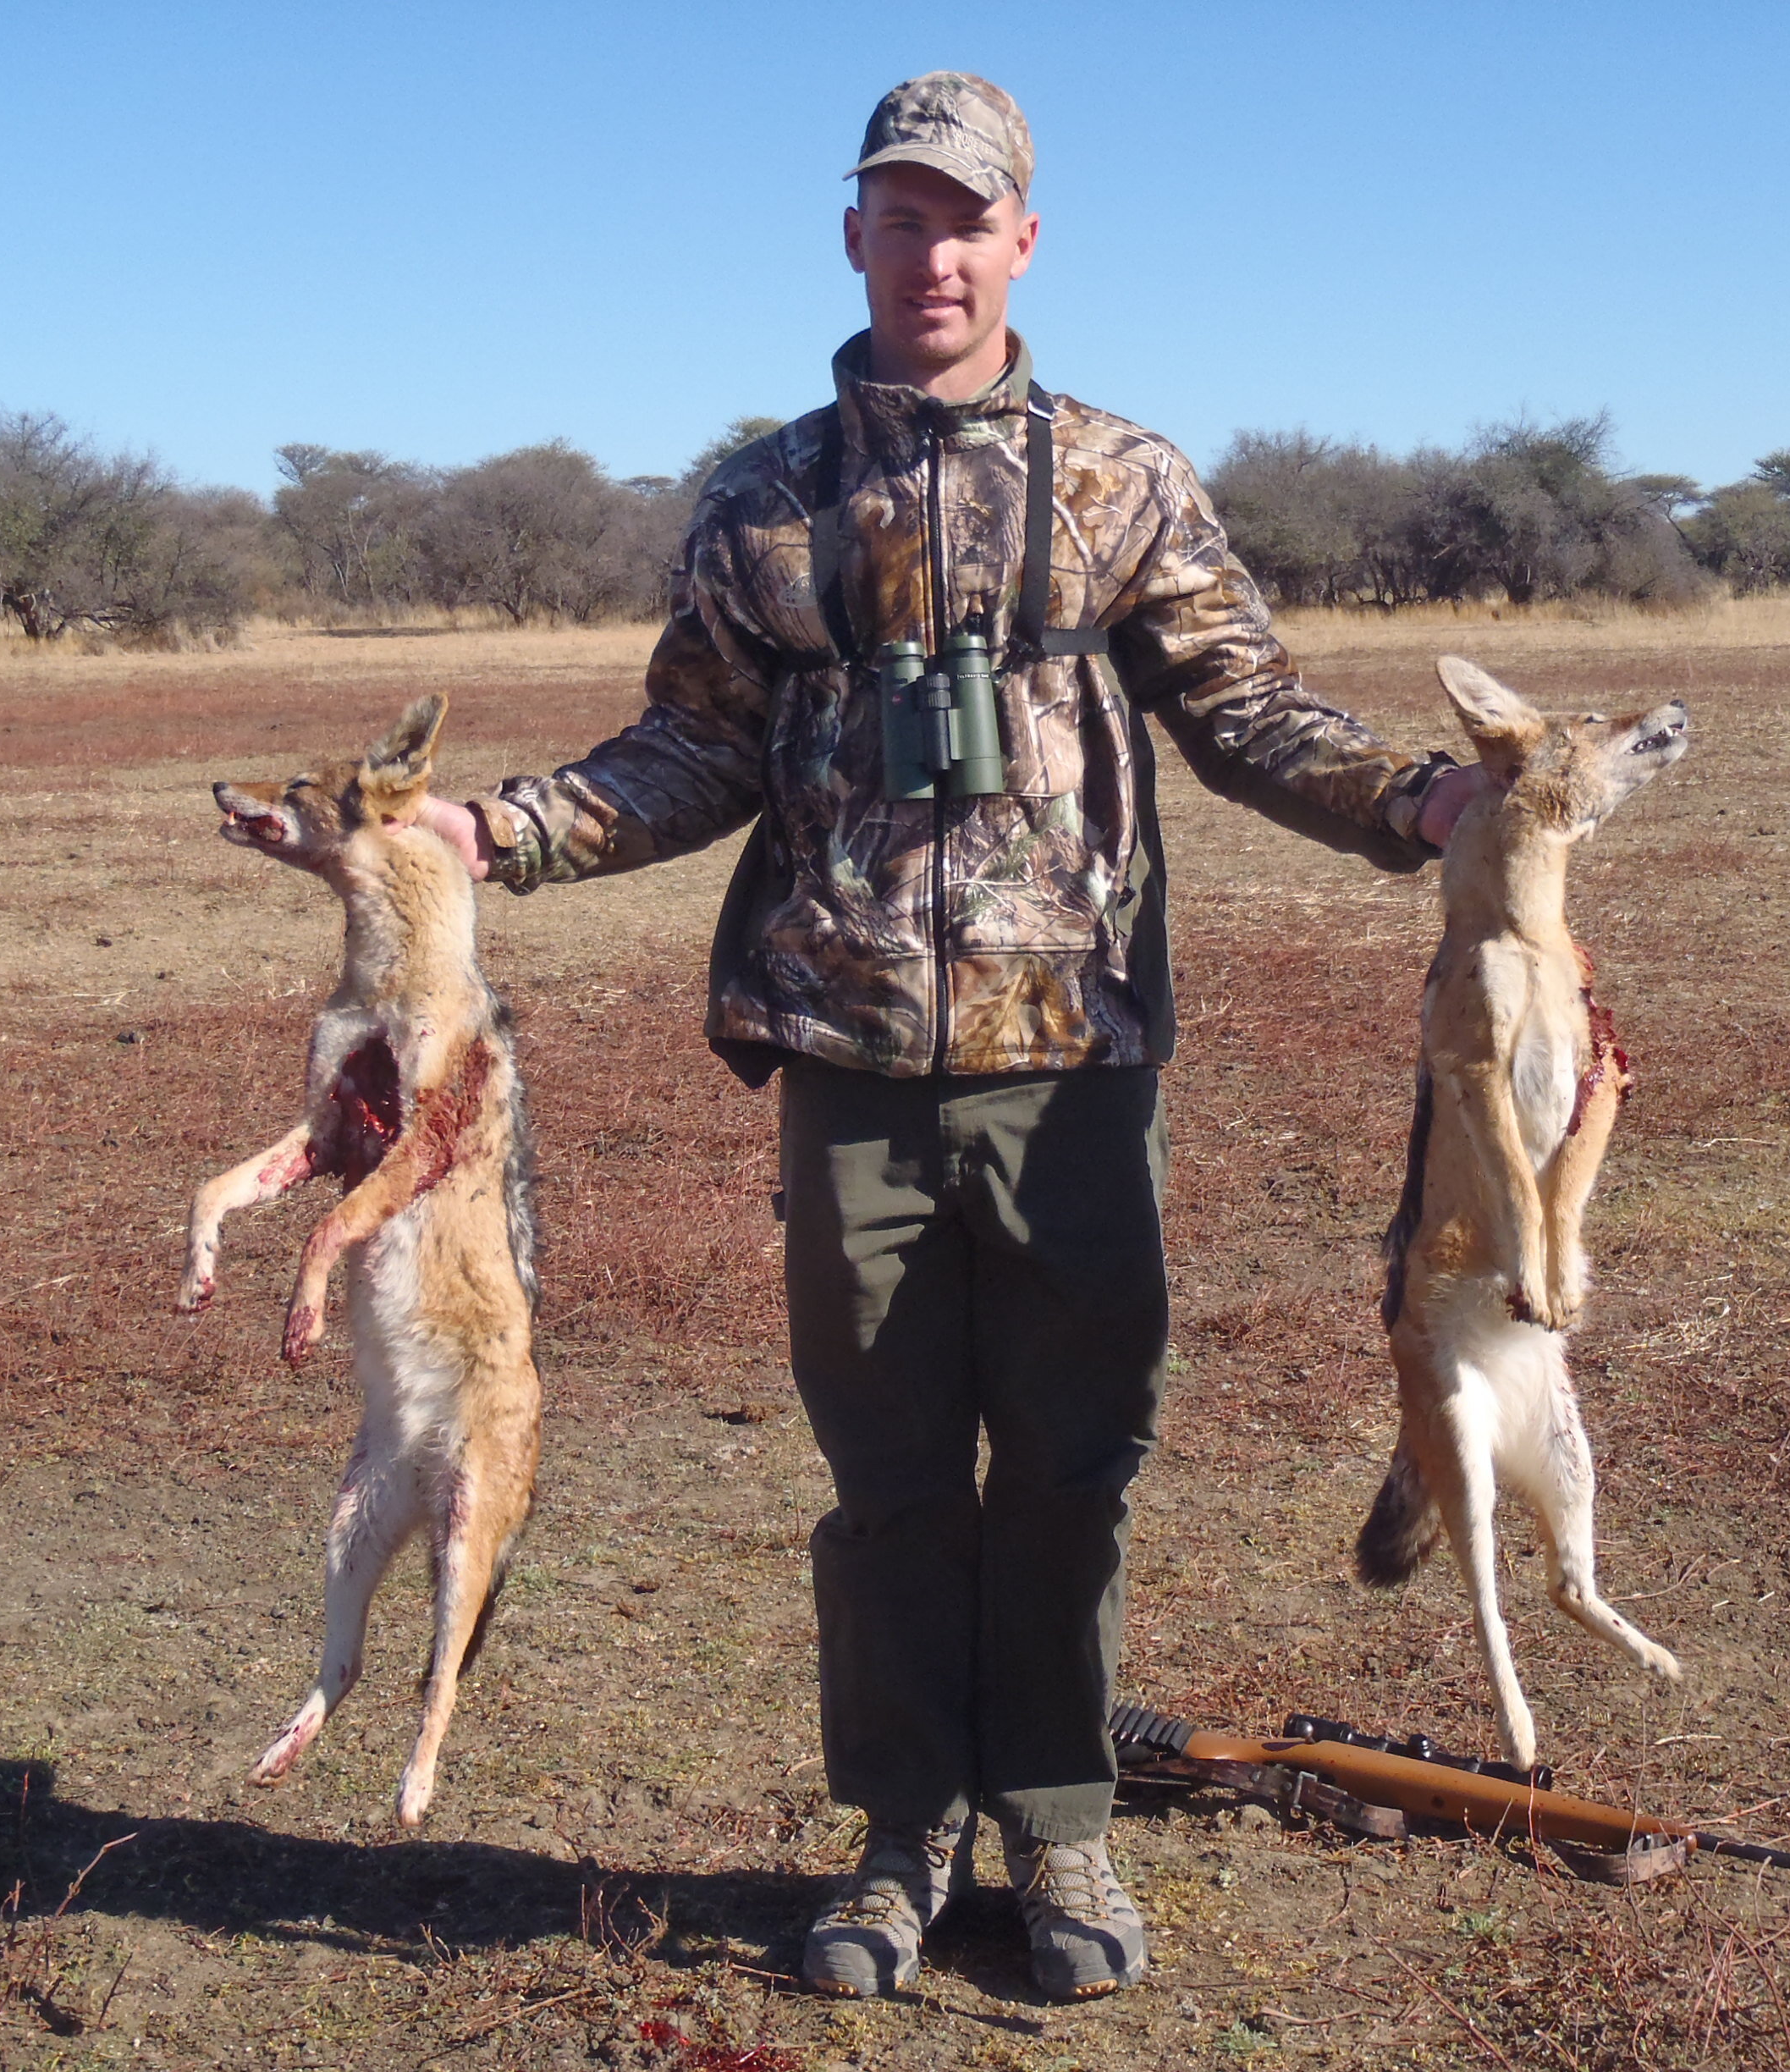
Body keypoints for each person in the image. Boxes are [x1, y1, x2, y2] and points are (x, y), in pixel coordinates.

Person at [421, 71, 1484, 2003]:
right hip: (846, 1068)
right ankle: (904, 1828)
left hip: (1076, 1060)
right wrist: (495, 830)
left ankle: (1061, 1827)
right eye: (898, 216)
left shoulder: (1124, 477)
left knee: (1075, 1461)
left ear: (1025, 241)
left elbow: (1248, 709)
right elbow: (694, 747)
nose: (933, 251)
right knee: (892, 1468)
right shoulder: (766, 494)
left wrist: (1422, 803)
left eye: (967, 217)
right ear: (852, 237)